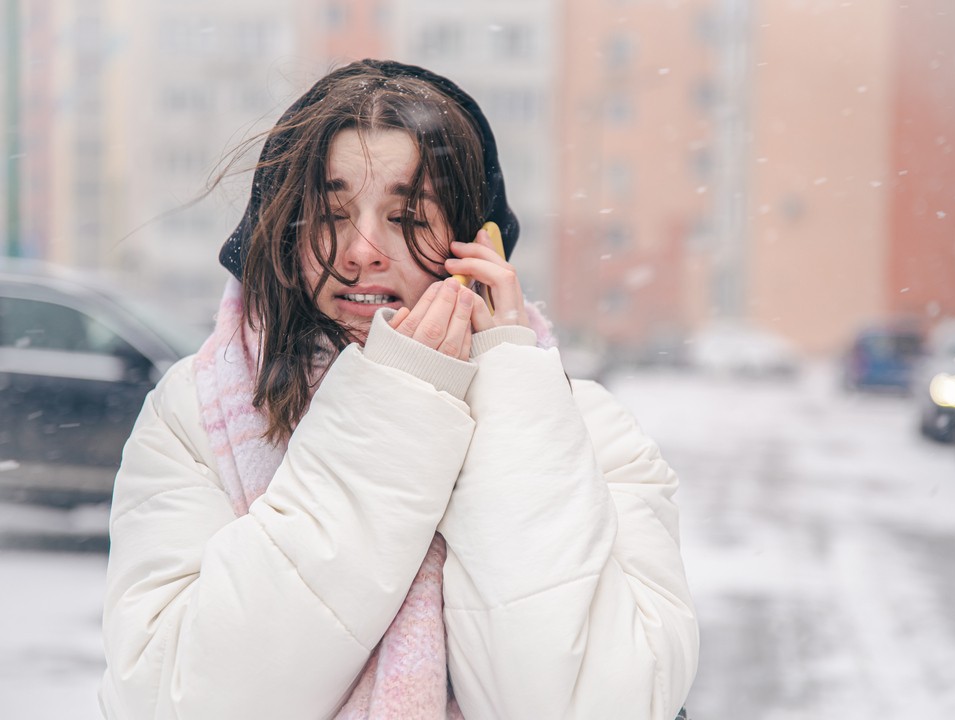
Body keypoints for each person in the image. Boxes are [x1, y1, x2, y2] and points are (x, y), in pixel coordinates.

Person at [99, 58, 699, 720]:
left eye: (408, 214)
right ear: (281, 234)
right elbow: (180, 700)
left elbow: (579, 704)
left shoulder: (588, 432)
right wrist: (395, 407)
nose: (362, 250)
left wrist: (508, 386)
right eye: (330, 212)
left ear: (477, 243)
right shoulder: (195, 417)